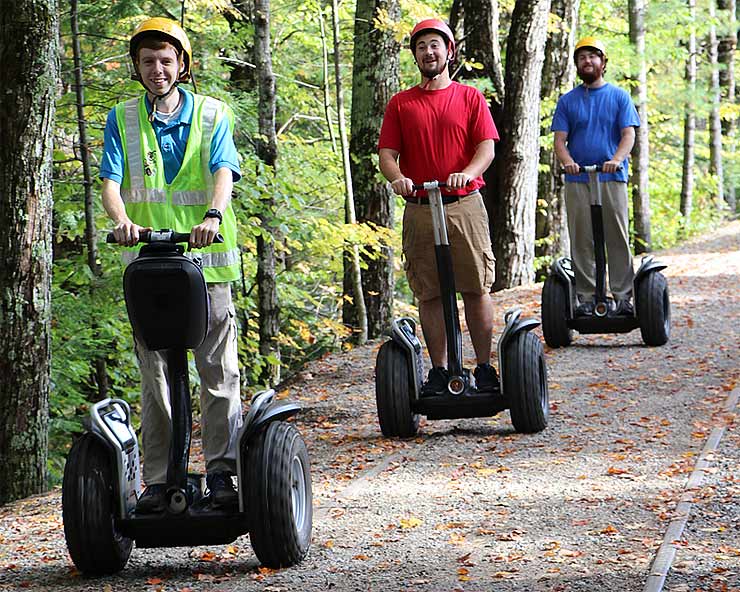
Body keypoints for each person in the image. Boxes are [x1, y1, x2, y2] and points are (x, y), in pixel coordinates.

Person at [100, 17, 243, 513]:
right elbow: (111, 182)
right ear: (137, 68)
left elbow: (223, 171)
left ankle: (223, 475)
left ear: (182, 65)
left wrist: (213, 215)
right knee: (155, 377)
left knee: (218, 373)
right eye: (147, 61)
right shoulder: (122, 119)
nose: (157, 69)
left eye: (166, 59)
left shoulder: (211, 114)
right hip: (151, 269)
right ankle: (161, 481)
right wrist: (121, 221)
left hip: (209, 264)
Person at [378, 19, 499, 395]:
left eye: (435, 45)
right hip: (419, 207)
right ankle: (441, 372)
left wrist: (468, 172)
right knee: (428, 291)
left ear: (449, 51)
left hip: (463, 204)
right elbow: (387, 154)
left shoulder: (469, 97)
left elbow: (486, 147)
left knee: (476, 287)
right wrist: (397, 177)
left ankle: (483, 368)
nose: (428, 52)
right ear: (415, 55)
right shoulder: (401, 103)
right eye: (421, 47)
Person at [551, 36, 640, 317]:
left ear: (603, 62)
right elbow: (559, 141)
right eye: (582, 57)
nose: (587, 61)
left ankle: (624, 297)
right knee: (582, 239)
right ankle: (587, 297)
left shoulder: (619, 97)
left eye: (593, 56)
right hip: (579, 180)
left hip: (611, 178)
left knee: (617, 237)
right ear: (576, 64)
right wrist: (568, 163)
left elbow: (629, 135)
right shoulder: (568, 101)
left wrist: (616, 160)